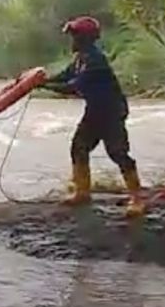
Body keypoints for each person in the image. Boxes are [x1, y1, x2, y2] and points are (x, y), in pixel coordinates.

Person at [40, 16, 145, 217]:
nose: (72, 40)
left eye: (75, 36)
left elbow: (73, 87)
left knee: (118, 153)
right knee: (79, 147)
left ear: (85, 38)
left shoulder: (95, 60)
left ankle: (137, 200)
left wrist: (43, 86)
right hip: (96, 110)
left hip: (112, 111)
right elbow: (64, 76)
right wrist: (40, 80)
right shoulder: (81, 58)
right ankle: (82, 193)